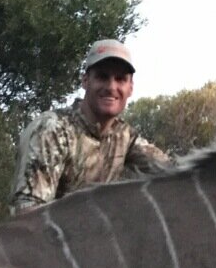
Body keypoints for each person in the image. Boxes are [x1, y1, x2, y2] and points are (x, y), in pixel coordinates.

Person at [10, 39, 170, 212]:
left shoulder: (124, 136)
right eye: (102, 77)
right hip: (47, 236)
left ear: (130, 88)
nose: (111, 87)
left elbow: (172, 170)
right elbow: (27, 210)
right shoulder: (52, 129)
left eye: (120, 79)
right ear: (85, 81)